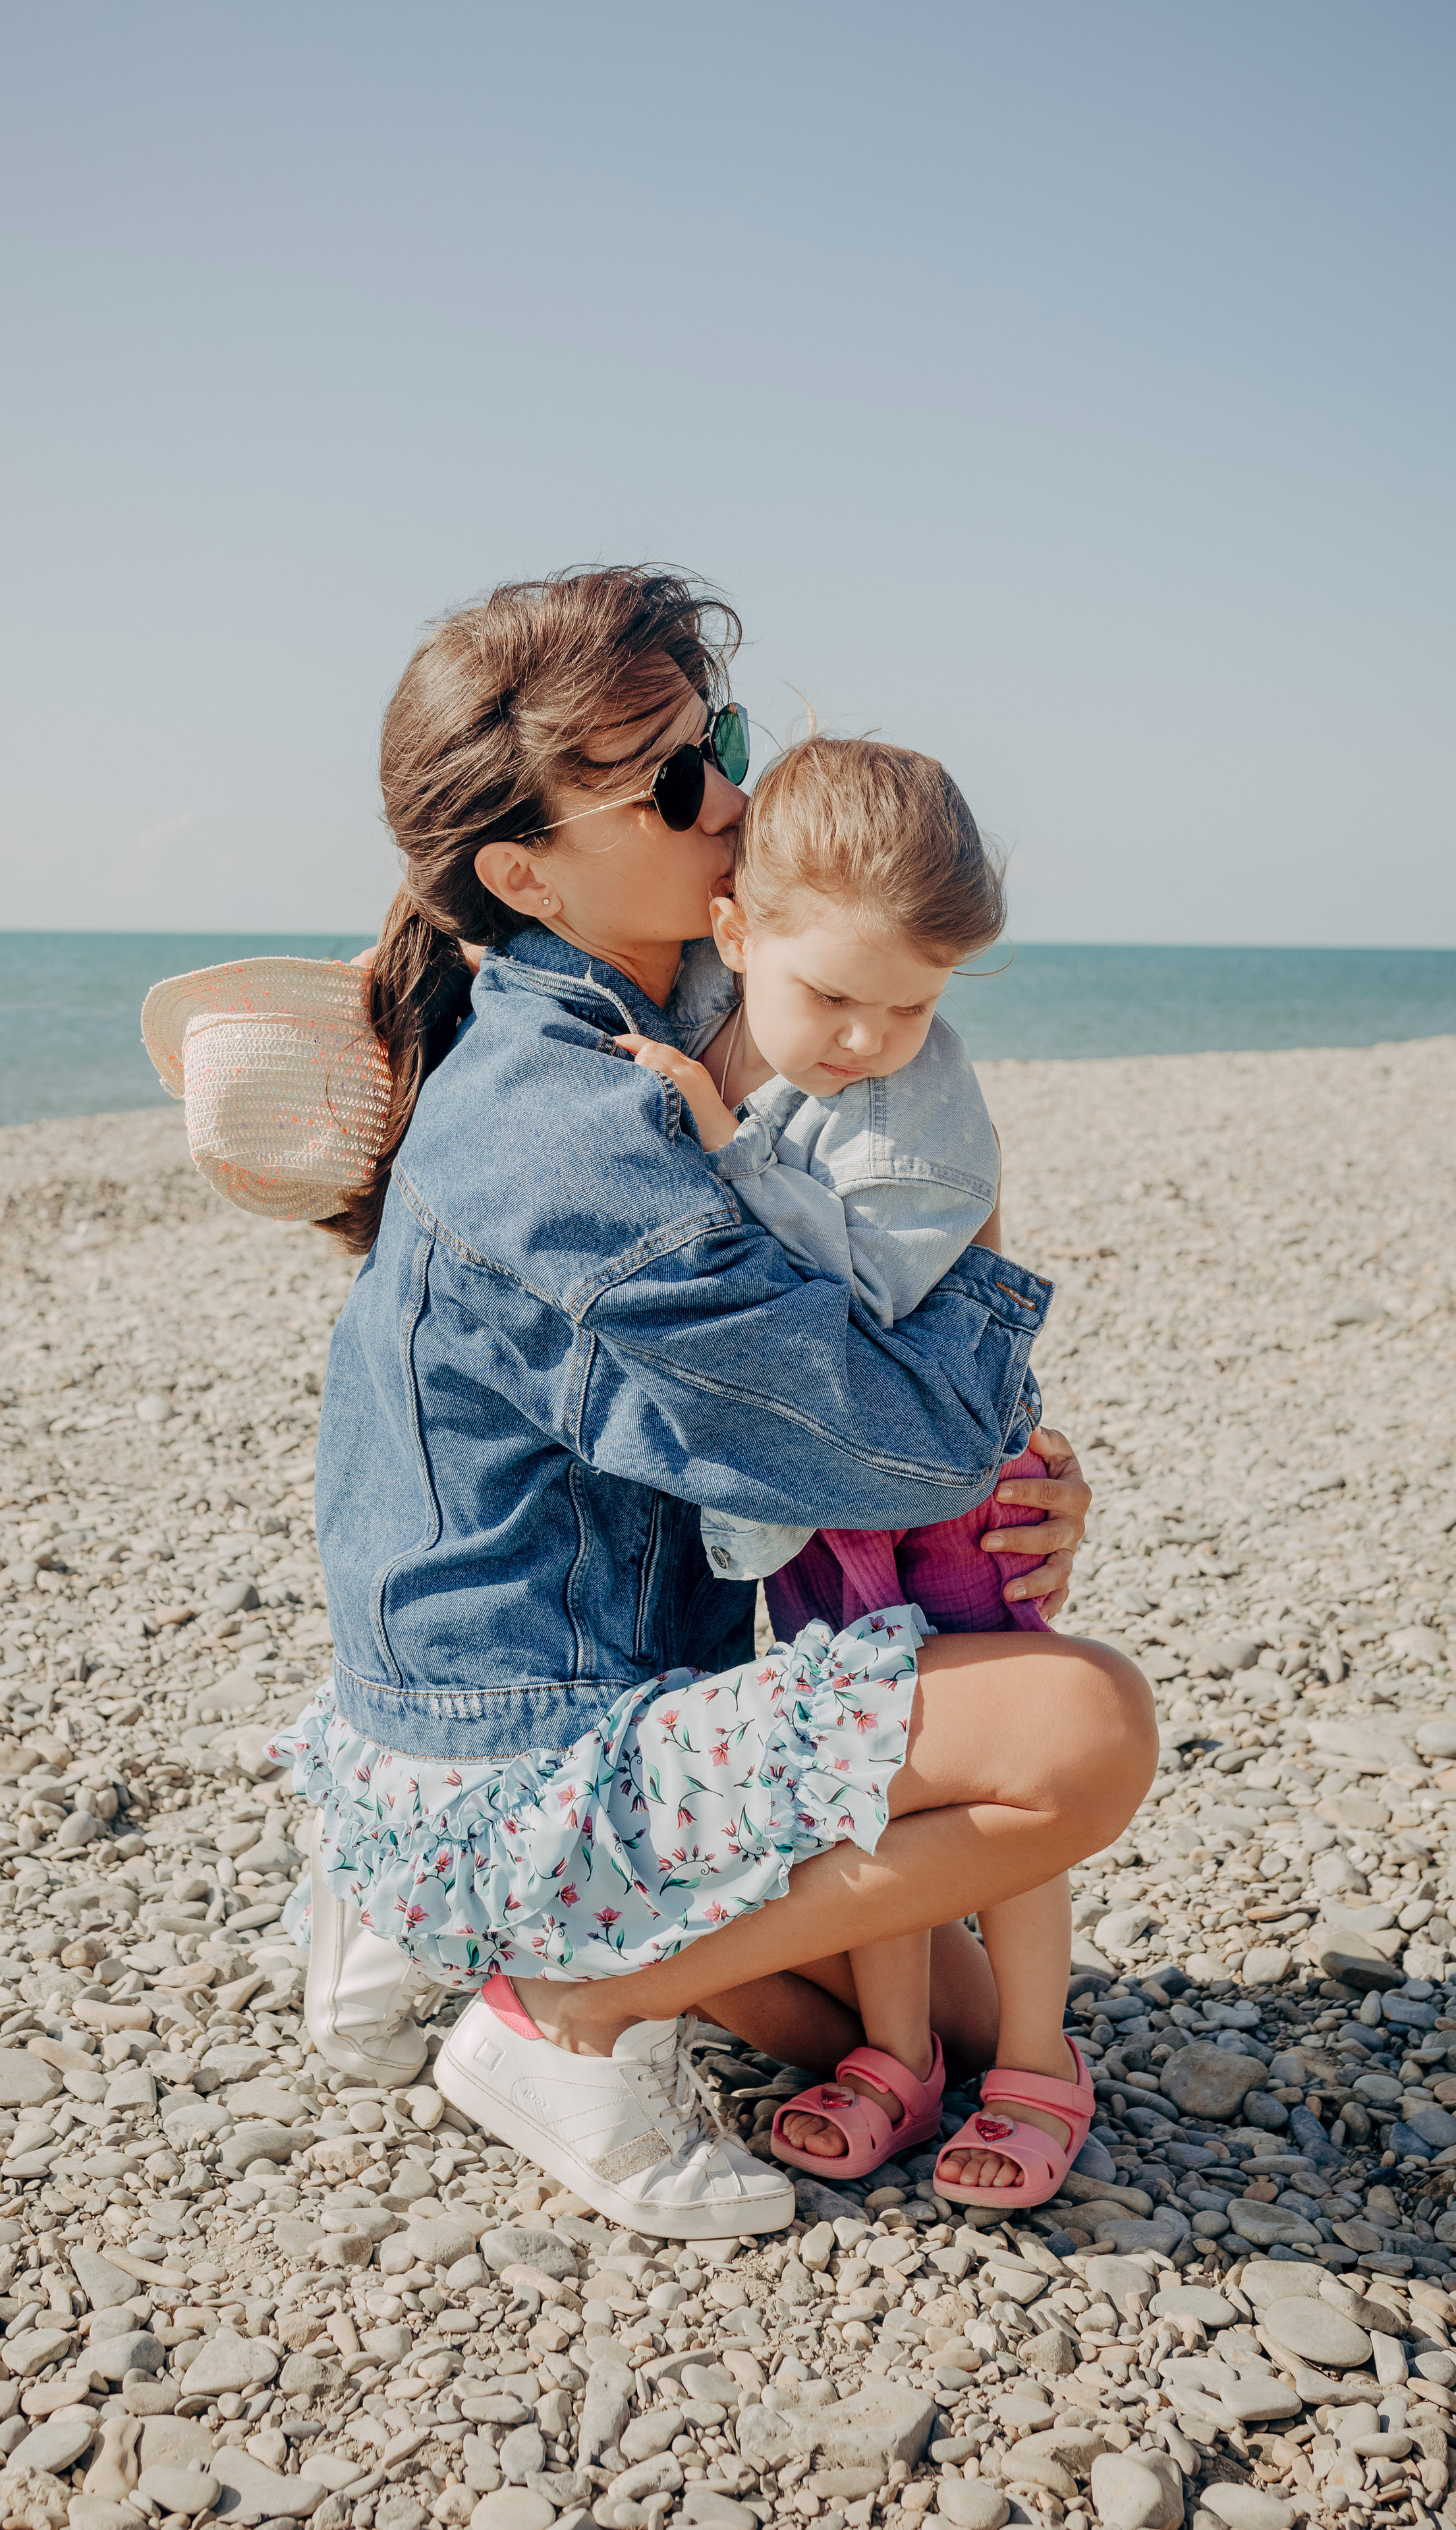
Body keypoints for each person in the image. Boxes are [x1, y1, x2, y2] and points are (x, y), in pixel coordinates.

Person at [254, 563, 1150, 2235]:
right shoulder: (565, 1126)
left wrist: (1012, 1463)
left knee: (949, 2033)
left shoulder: (674, 1011)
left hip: (526, 1696)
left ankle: (446, 1925)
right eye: (672, 784)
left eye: (716, 743)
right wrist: (984, 1418)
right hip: (515, 1754)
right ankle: (553, 2016)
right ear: (523, 870)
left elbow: (885, 1418)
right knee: (1079, 1737)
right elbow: (903, 1444)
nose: (731, 800)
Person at [612, 731, 1092, 2203]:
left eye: (911, 1003)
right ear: (736, 926)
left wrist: (719, 1145)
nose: (866, 1038)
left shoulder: (918, 1108)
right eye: (831, 996)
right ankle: (897, 2053)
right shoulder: (705, 1011)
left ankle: (1032, 2057)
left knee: (984, 1790)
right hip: (816, 1516)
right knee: (856, 1779)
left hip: (941, 1489)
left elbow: (861, 1313)